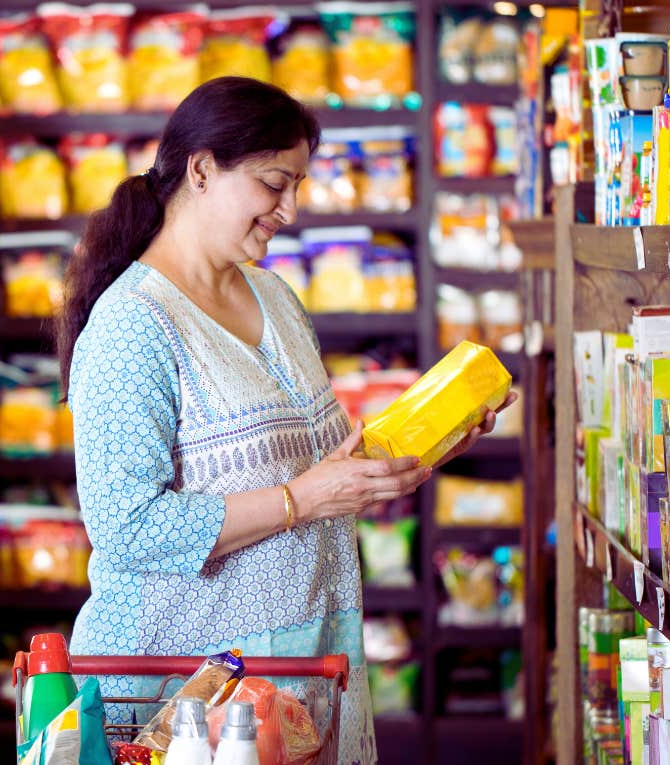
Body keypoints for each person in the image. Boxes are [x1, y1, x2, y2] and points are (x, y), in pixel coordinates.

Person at [57, 77, 515, 764]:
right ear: (203, 170)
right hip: (183, 697)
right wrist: (300, 501)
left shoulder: (273, 295)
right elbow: (125, 527)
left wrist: (432, 442)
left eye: (298, 185)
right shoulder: (132, 324)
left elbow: (325, 465)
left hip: (293, 673)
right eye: (276, 184)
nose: (291, 209)